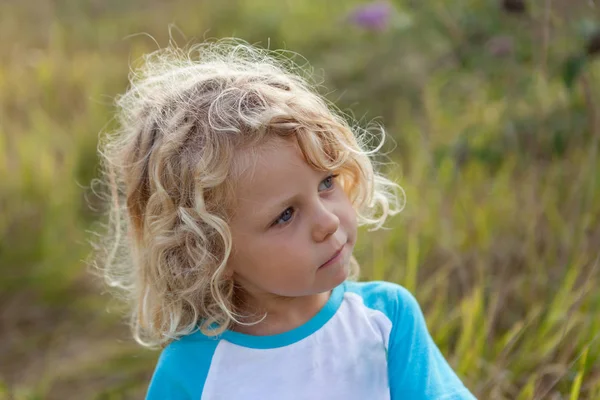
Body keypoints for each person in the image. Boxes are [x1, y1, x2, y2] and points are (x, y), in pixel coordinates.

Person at [96, 38, 476, 399]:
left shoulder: (384, 319)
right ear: (209, 252)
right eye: (286, 215)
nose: (327, 221)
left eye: (327, 182)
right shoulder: (192, 370)